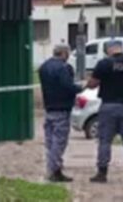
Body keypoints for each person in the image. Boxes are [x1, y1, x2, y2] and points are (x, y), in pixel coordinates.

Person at [87, 40, 123, 183]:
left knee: (105, 140)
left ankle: (102, 172)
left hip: (108, 105)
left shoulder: (104, 64)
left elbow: (92, 84)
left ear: (108, 50)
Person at [38, 45, 83, 182]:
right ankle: (53, 170)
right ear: (64, 53)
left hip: (49, 107)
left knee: (50, 141)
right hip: (62, 108)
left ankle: (55, 170)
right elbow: (67, 87)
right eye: (67, 53)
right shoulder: (63, 68)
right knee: (59, 141)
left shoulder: (44, 67)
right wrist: (80, 87)